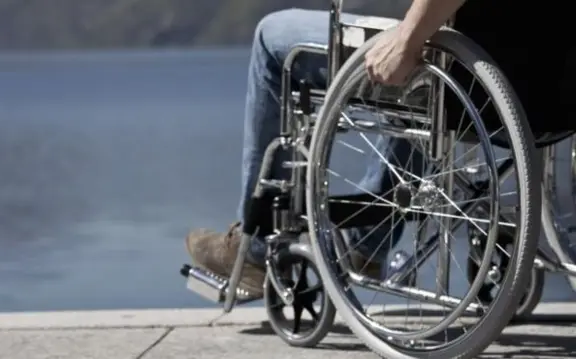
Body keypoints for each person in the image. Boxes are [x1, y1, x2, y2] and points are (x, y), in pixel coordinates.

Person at [185, 0, 572, 299]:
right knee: (420, 83)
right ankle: (367, 242)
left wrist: (407, 39)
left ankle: (253, 250)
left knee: (273, 37)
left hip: (465, 75)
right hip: (546, 98)